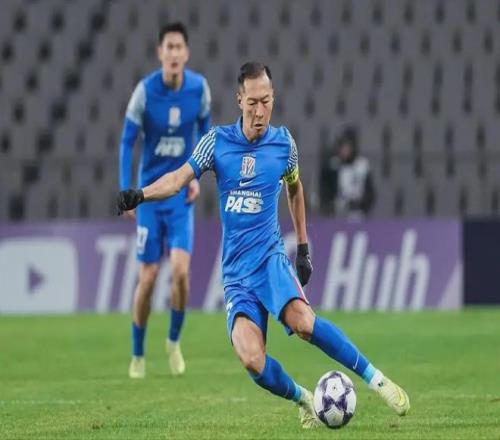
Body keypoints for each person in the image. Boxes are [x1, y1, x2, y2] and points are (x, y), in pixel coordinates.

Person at [117, 62, 409, 428]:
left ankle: (377, 380)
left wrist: (303, 247)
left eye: (266, 101)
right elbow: (178, 179)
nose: (260, 111)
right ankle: (304, 399)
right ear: (239, 100)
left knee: (304, 323)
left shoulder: (284, 144)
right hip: (236, 275)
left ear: (273, 98)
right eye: (253, 102)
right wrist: (140, 194)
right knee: (251, 359)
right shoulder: (216, 143)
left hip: (270, 260)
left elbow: (295, 189)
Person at [119, 22, 211, 379]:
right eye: (168, 47)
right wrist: (126, 190)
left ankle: (173, 342)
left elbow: (206, 133)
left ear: (186, 53)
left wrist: (197, 175)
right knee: (148, 277)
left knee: (181, 272)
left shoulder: (199, 89)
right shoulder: (144, 92)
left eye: (178, 47)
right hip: (150, 197)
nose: (173, 53)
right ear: (160, 53)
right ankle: (137, 353)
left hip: (180, 196)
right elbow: (127, 141)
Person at [319, 126, 376, 218]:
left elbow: (370, 194)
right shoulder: (334, 166)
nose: (343, 151)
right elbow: (326, 190)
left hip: (358, 213)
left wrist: (361, 202)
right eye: (341, 147)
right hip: (338, 214)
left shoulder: (362, 166)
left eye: (346, 147)